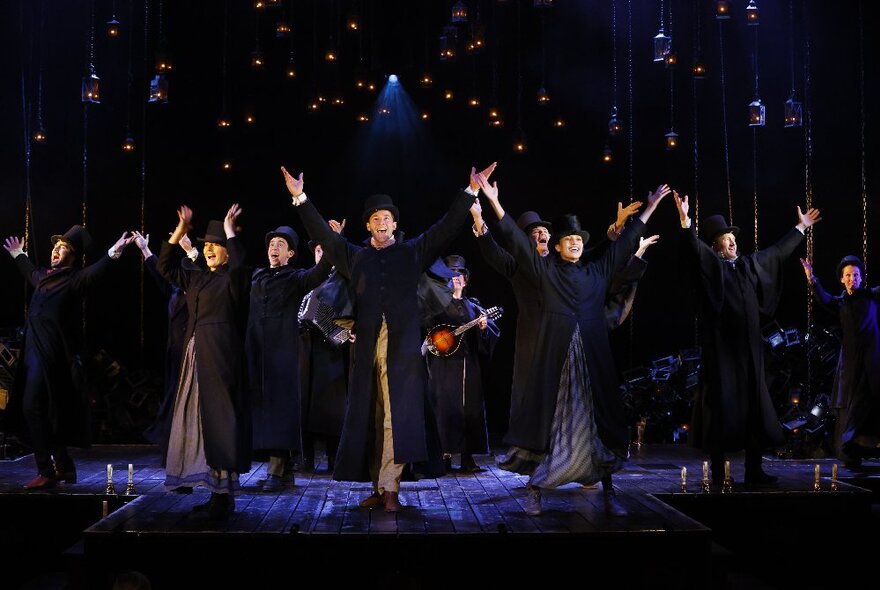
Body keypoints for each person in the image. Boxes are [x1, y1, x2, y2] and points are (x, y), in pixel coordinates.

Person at [281, 163, 491, 513]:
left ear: (395, 224)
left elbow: (445, 228)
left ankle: (391, 488)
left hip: (402, 350)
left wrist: (469, 191)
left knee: (396, 415)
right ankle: (379, 486)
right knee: (370, 416)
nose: (381, 223)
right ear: (368, 226)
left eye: (387, 219)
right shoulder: (356, 256)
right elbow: (326, 236)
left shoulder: (412, 252)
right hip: (364, 348)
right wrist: (300, 198)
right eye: (375, 219)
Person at [478, 174, 670, 516]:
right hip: (556, 361)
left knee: (597, 418)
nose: (575, 244)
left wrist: (651, 207)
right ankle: (536, 486)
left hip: (591, 361)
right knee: (550, 422)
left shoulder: (596, 272)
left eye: (578, 240)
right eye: (568, 240)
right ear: (557, 246)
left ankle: (601, 476)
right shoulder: (544, 272)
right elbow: (515, 242)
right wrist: (493, 202)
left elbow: (623, 244)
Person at [674, 192, 822, 486]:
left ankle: (754, 470)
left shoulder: (747, 265)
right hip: (723, 355)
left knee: (755, 407)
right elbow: (693, 249)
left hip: (750, 353)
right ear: (715, 245)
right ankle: (718, 472)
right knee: (722, 409)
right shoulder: (713, 267)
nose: (732, 241)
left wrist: (800, 228)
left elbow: (777, 252)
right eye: (725, 237)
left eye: (732, 236)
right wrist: (686, 222)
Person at [3, 225, 135, 489]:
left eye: (62, 248)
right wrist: (18, 254)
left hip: (50, 355)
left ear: (73, 257)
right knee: (43, 409)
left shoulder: (74, 279)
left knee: (32, 406)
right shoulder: (42, 277)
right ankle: (64, 467)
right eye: (55, 246)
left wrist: (113, 252)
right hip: (31, 353)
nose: (55, 250)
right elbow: (29, 270)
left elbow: (95, 273)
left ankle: (47, 470)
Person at [156, 204, 250, 519]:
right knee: (199, 421)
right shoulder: (196, 279)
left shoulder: (232, 279)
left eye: (216, 245)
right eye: (206, 245)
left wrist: (229, 231)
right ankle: (214, 491)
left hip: (220, 356)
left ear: (226, 251)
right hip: (195, 355)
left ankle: (224, 495)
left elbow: (239, 265)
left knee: (220, 423)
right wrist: (181, 230)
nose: (209, 249)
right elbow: (165, 266)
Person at [248, 225, 332, 491]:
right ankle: (283, 473)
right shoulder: (257, 276)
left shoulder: (296, 278)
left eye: (280, 244)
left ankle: (276, 471)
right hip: (258, 352)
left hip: (283, 353)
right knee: (264, 411)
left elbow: (320, 273)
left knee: (280, 412)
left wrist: (331, 239)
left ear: (291, 253)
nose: (274, 247)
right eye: (271, 243)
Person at [801, 255, 880, 469]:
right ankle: (849, 454)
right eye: (848, 275)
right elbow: (823, 298)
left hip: (872, 361)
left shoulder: (871, 296)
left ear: (861, 278)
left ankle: (864, 446)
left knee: (866, 403)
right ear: (842, 279)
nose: (852, 278)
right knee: (847, 405)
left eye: (855, 275)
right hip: (850, 363)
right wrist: (812, 279)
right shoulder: (841, 302)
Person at [424, 255, 500, 472]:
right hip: (443, 365)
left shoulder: (474, 306)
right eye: (452, 275)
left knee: (470, 409)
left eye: (460, 275)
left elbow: (490, 333)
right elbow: (428, 331)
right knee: (444, 408)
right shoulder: (435, 304)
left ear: (466, 281)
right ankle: (443, 457)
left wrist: (484, 328)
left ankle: (467, 457)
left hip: (468, 364)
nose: (457, 278)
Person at [132, 230, 195, 451]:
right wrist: (144, 248)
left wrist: (189, 249)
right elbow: (159, 271)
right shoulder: (175, 290)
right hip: (174, 352)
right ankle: (174, 442)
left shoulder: (199, 290)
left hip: (192, 352)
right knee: (173, 397)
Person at [299, 237, 352, 474]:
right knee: (305, 402)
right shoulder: (306, 281)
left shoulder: (341, 282)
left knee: (332, 406)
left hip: (331, 351)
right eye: (318, 250)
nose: (321, 254)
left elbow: (350, 313)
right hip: (306, 349)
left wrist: (344, 332)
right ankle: (305, 457)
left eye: (325, 250)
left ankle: (333, 457)